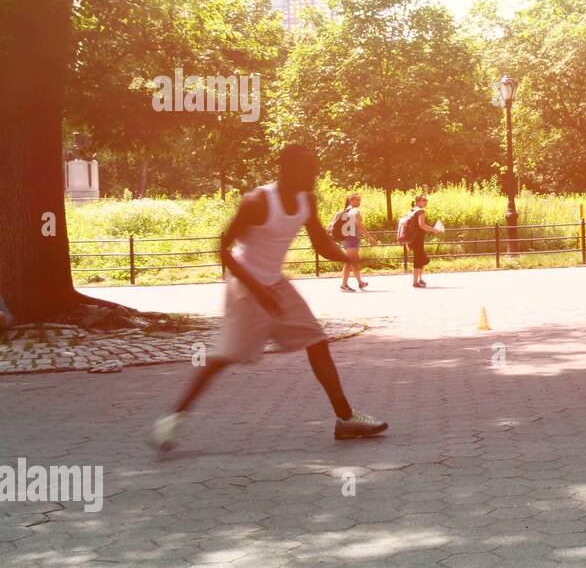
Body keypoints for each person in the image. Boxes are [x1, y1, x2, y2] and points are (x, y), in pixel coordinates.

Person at [149, 145, 388, 451]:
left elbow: (320, 243)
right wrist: (258, 290)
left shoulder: (306, 200)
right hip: (246, 287)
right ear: (289, 170)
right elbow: (223, 248)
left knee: (317, 342)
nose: (314, 177)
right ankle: (173, 419)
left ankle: (346, 419)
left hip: (276, 284)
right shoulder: (258, 201)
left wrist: (348, 257)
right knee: (226, 356)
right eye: (309, 171)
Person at [336, 192, 377, 292]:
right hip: (352, 238)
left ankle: (360, 282)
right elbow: (359, 225)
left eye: (360, 200)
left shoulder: (343, 211)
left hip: (344, 239)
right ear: (351, 200)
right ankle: (344, 284)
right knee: (349, 262)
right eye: (357, 200)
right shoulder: (355, 210)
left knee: (354, 261)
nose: (359, 202)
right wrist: (369, 237)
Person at [406, 193, 444, 288]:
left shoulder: (412, 210)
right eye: (424, 200)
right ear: (418, 201)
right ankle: (415, 282)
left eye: (426, 200)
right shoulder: (420, 211)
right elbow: (422, 225)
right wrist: (434, 230)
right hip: (417, 239)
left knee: (422, 258)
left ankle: (420, 279)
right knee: (418, 260)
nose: (426, 202)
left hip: (412, 239)